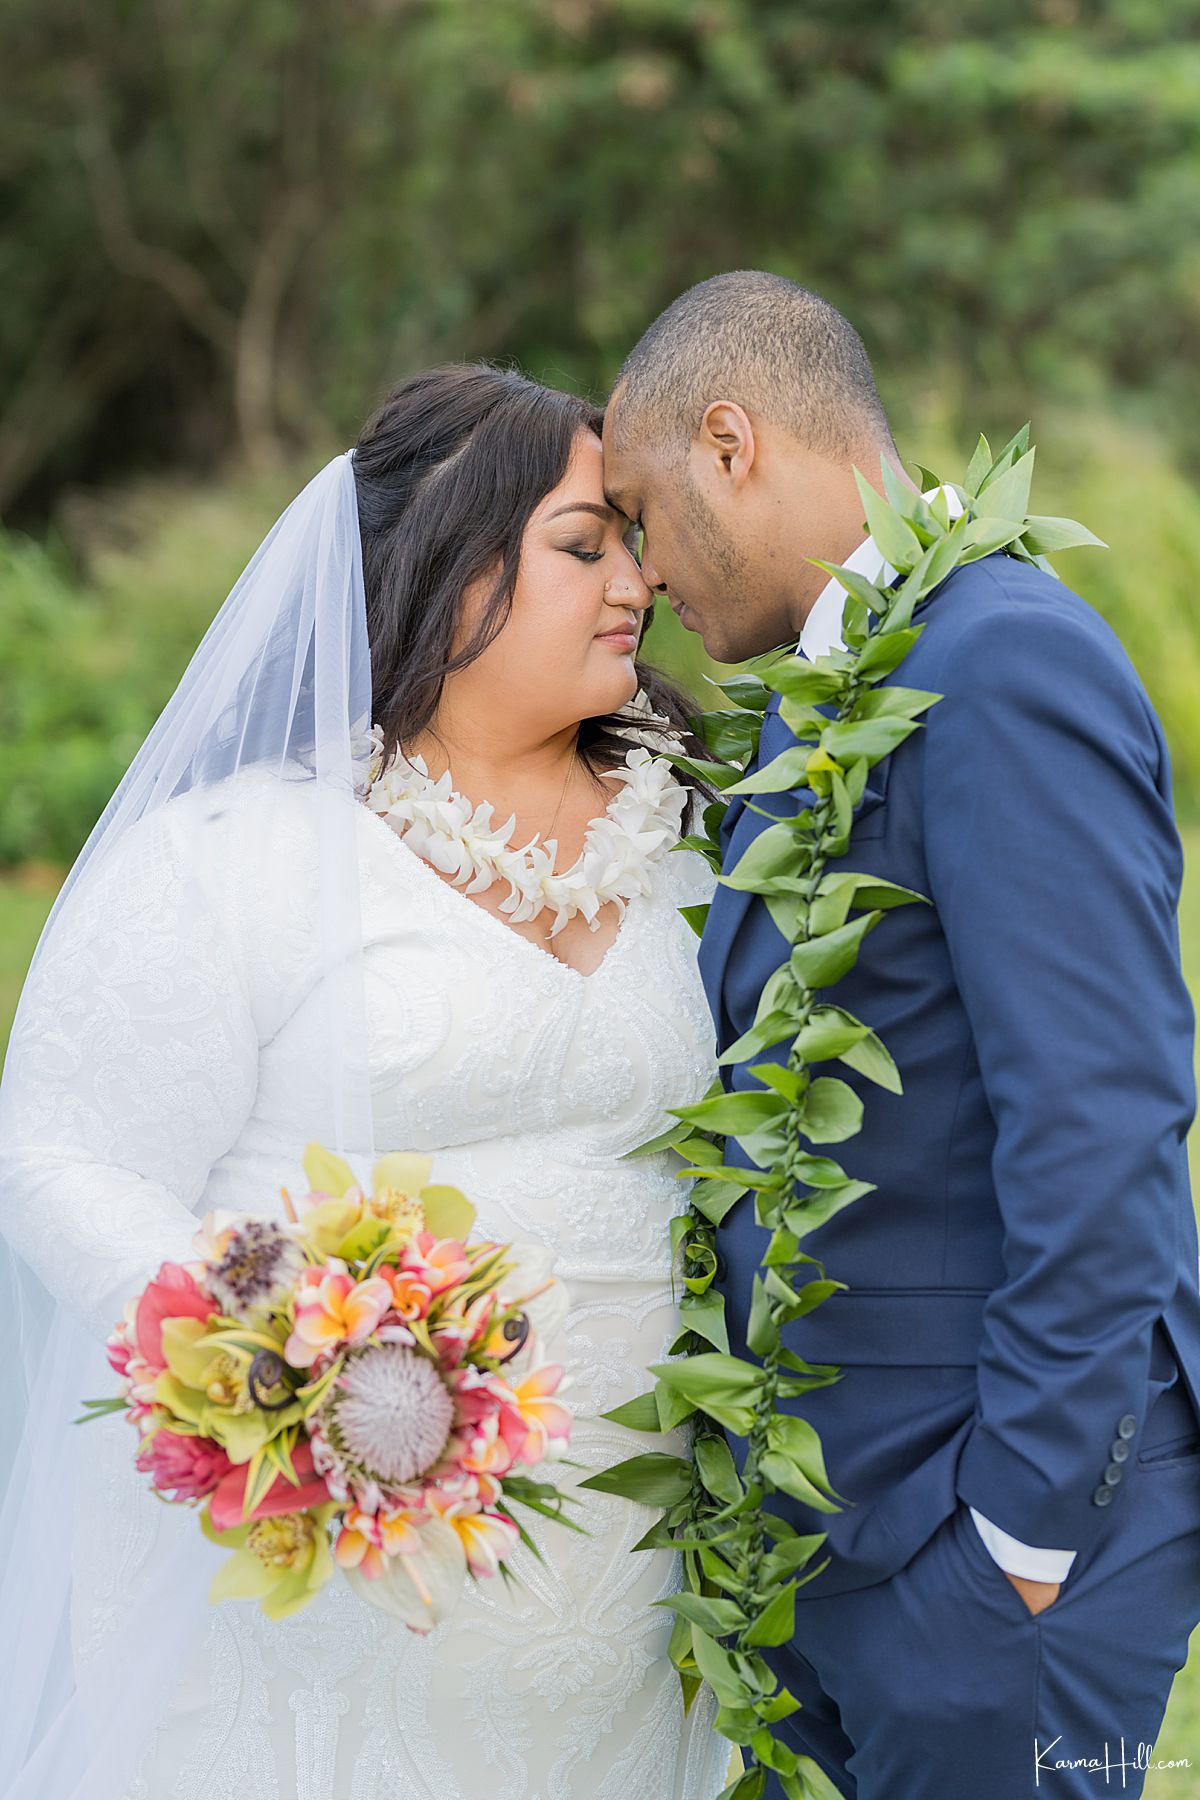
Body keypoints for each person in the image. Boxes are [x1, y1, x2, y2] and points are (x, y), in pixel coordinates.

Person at [0, 363, 734, 1800]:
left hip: (636, 1591)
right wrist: (289, 1365)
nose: (634, 583)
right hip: (338, 1584)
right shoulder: (240, 860)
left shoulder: (702, 841)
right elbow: (57, 1157)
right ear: (447, 572)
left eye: (632, 545)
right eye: (583, 546)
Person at [601, 270, 1200, 1799]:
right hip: (846, 1539)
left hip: (994, 1563)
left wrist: (1024, 1532)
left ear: (731, 442)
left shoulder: (1004, 658)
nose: (646, 573)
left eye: (645, 513)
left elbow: (1104, 1119)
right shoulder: (822, 701)